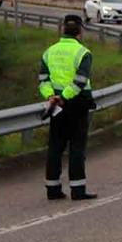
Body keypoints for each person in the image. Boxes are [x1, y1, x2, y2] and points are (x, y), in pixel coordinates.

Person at [39, 14, 97, 200]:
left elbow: (43, 81)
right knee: (77, 148)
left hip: (56, 106)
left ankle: (53, 189)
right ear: (80, 31)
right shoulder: (83, 53)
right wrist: (63, 97)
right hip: (77, 105)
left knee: (55, 147)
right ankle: (78, 190)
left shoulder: (49, 52)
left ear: (63, 30)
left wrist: (51, 97)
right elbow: (80, 82)